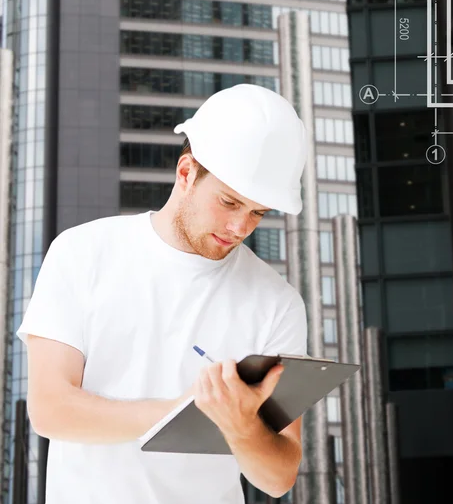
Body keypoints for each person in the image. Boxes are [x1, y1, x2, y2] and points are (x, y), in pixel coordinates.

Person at [17, 83, 309, 504]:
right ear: (186, 172)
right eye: (229, 203)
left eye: (258, 212)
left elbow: (279, 477)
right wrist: (188, 410)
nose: (241, 228)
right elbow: (51, 409)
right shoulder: (83, 252)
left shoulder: (276, 303)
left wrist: (242, 426)